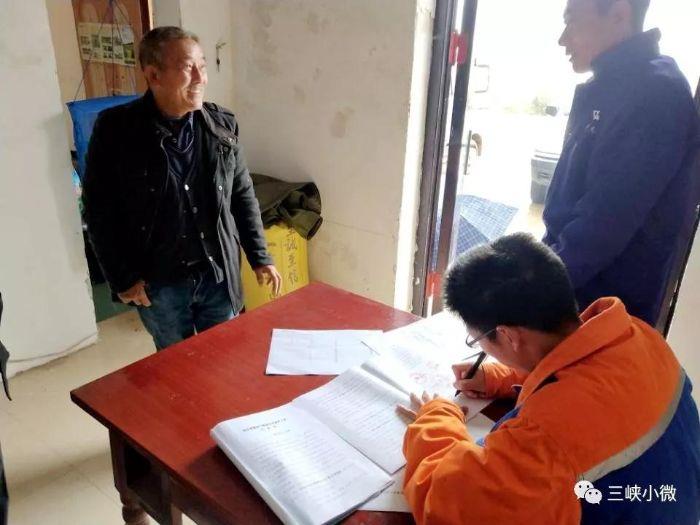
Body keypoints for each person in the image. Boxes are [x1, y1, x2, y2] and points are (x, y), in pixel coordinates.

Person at [398, 233, 700, 525]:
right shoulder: (638, 336)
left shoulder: (545, 439)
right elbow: (586, 372)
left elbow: (450, 505)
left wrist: (437, 416)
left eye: (477, 340)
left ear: (507, 335)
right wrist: (498, 378)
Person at [83, 27, 281, 350]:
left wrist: (259, 255)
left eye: (202, 66)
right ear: (154, 75)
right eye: (188, 68)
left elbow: (242, 195)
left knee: (226, 355)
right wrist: (122, 278)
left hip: (218, 275)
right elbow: (100, 212)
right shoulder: (116, 131)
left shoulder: (222, 125)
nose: (200, 78)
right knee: (175, 363)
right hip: (160, 284)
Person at [543, 0, 699, 326]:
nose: (562, 39)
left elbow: (602, 224)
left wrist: (532, 293)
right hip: (576, 291)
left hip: (601, 309)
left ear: (619, 14)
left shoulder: (656, 93)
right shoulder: (611, 86)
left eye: (572, 21)